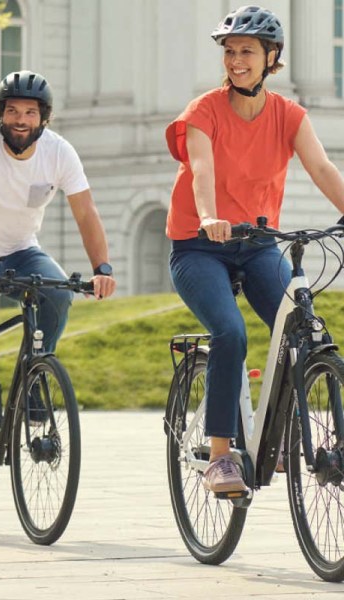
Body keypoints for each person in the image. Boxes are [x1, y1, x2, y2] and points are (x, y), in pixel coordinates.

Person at [165, 5, 344, 494]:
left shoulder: (289, 115)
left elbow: (323, 169)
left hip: (259, 243)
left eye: (247, 51)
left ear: (271, 58)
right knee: (230, 331)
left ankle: (285, 433)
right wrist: (207, 217)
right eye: (229, 51)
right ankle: (221, 456)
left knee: (304, 330)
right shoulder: (203, 111)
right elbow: (202, 170)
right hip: (200, 245)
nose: (236, 60)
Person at [0, 70, 116, 508]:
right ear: (0, 115)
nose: (20, 120)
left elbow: (86, 211)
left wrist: (102, 267)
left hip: (21, 252)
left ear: (43, 118)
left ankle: (35, 373)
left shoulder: (59, 153)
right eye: (12, 111)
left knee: (57, 290)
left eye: (29, 113)